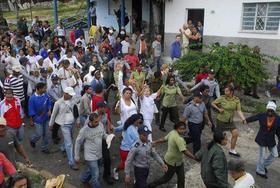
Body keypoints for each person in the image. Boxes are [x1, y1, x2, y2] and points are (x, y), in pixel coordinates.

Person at [148, 122, 196, 188]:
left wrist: (155, 142)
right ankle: (151, 185)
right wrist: (194, 158)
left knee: (181, 179)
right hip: (171, 163)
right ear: (176, 129)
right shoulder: (179, 139)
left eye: (184, 129)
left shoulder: (172, 132)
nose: (183, 131)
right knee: (166, 178)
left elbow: (164, 139)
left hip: (178, 162)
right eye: (181, 129)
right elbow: (185, 151)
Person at [246, 100, 280, 178]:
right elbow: (254, 117)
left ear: (274, 110)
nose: (270, 112)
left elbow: (278, 131)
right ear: (267, 109)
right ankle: (260, 171)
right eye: (268, 110)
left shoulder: (278, 119)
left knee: (275, 154)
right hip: (262, 138)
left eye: (272, 111)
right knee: (262, 156)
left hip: (271, 140)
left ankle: (262, 165)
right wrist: (246, 120)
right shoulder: (262, 115)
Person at [75, 113, 110, 188]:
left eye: (98, 121)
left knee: (93, 170)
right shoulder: (84, 130)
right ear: (90, 122)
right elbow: (78, 143)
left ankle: (83, 179)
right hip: (90, 156)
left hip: (99, 154)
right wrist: (76, 156)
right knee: (96, 175)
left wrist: (109, 137)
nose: (98, 123)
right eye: (96, 122)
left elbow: (103, 134)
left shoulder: (100, 124)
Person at [49, 87, 80, 170]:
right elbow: (53, 114)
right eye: (70, 95)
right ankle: (71, 162)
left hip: (72, 123)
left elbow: (77, 111)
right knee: (69, 143)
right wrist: (51, 124)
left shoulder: (73, 100)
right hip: (64, 125)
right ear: (65, 94)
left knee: (69, 139)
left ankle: (63, 148)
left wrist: (77, 121)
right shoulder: (58, 103)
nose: (71, 96)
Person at [212, 85, 246, 157]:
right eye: (225, 91)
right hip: (221, 120)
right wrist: (219, 109)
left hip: (230, 121)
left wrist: (243, 118)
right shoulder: (222, 98)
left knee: (235, 134)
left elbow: (239, 110)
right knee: (218, 136)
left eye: (227, 91)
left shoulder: (236, 100)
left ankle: (232, 150)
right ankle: (214, 149)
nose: (225, 92)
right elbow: (213, 103)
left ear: (231, 92)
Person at [113, 114, 143, 181]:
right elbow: (135, 142)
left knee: (135, 164)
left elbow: (119, 128)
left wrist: (114, 129)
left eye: (140, 122)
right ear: (134, 121)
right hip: (126, 151)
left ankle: (136, 179)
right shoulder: (131, 129)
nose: (139, 124)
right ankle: (116, 171)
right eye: (138, 122)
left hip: (128, 149)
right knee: (125, 165)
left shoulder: (128, 124)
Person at [29, 82, 52, 154]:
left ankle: (44, 148)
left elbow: (49, 103)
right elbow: (31, 110)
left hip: (46, 118)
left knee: (46, 133)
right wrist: (31, 120)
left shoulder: (45, 95)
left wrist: (49, 110)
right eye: (44, 88)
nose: (46, 89)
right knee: (39, 134)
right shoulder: (32, 99)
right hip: (37, 119)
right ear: (39, 89)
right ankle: (32, 140)